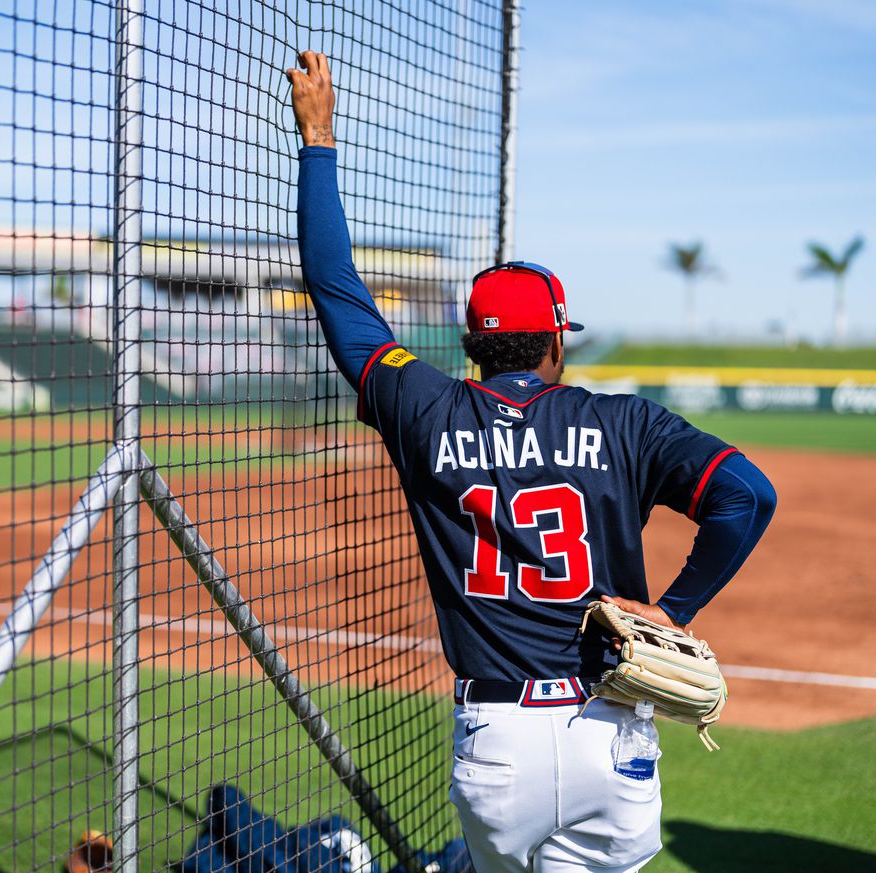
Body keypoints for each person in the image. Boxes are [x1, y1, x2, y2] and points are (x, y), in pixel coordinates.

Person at [284, 51, 776, 873]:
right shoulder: (625, 423)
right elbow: (747, 497)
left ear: (474, 345)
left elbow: (337, 290)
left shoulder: (424, 405)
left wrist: (319, 137)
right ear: (554, 339)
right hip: (608, 734)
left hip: (496, 745)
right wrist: (675, 609)